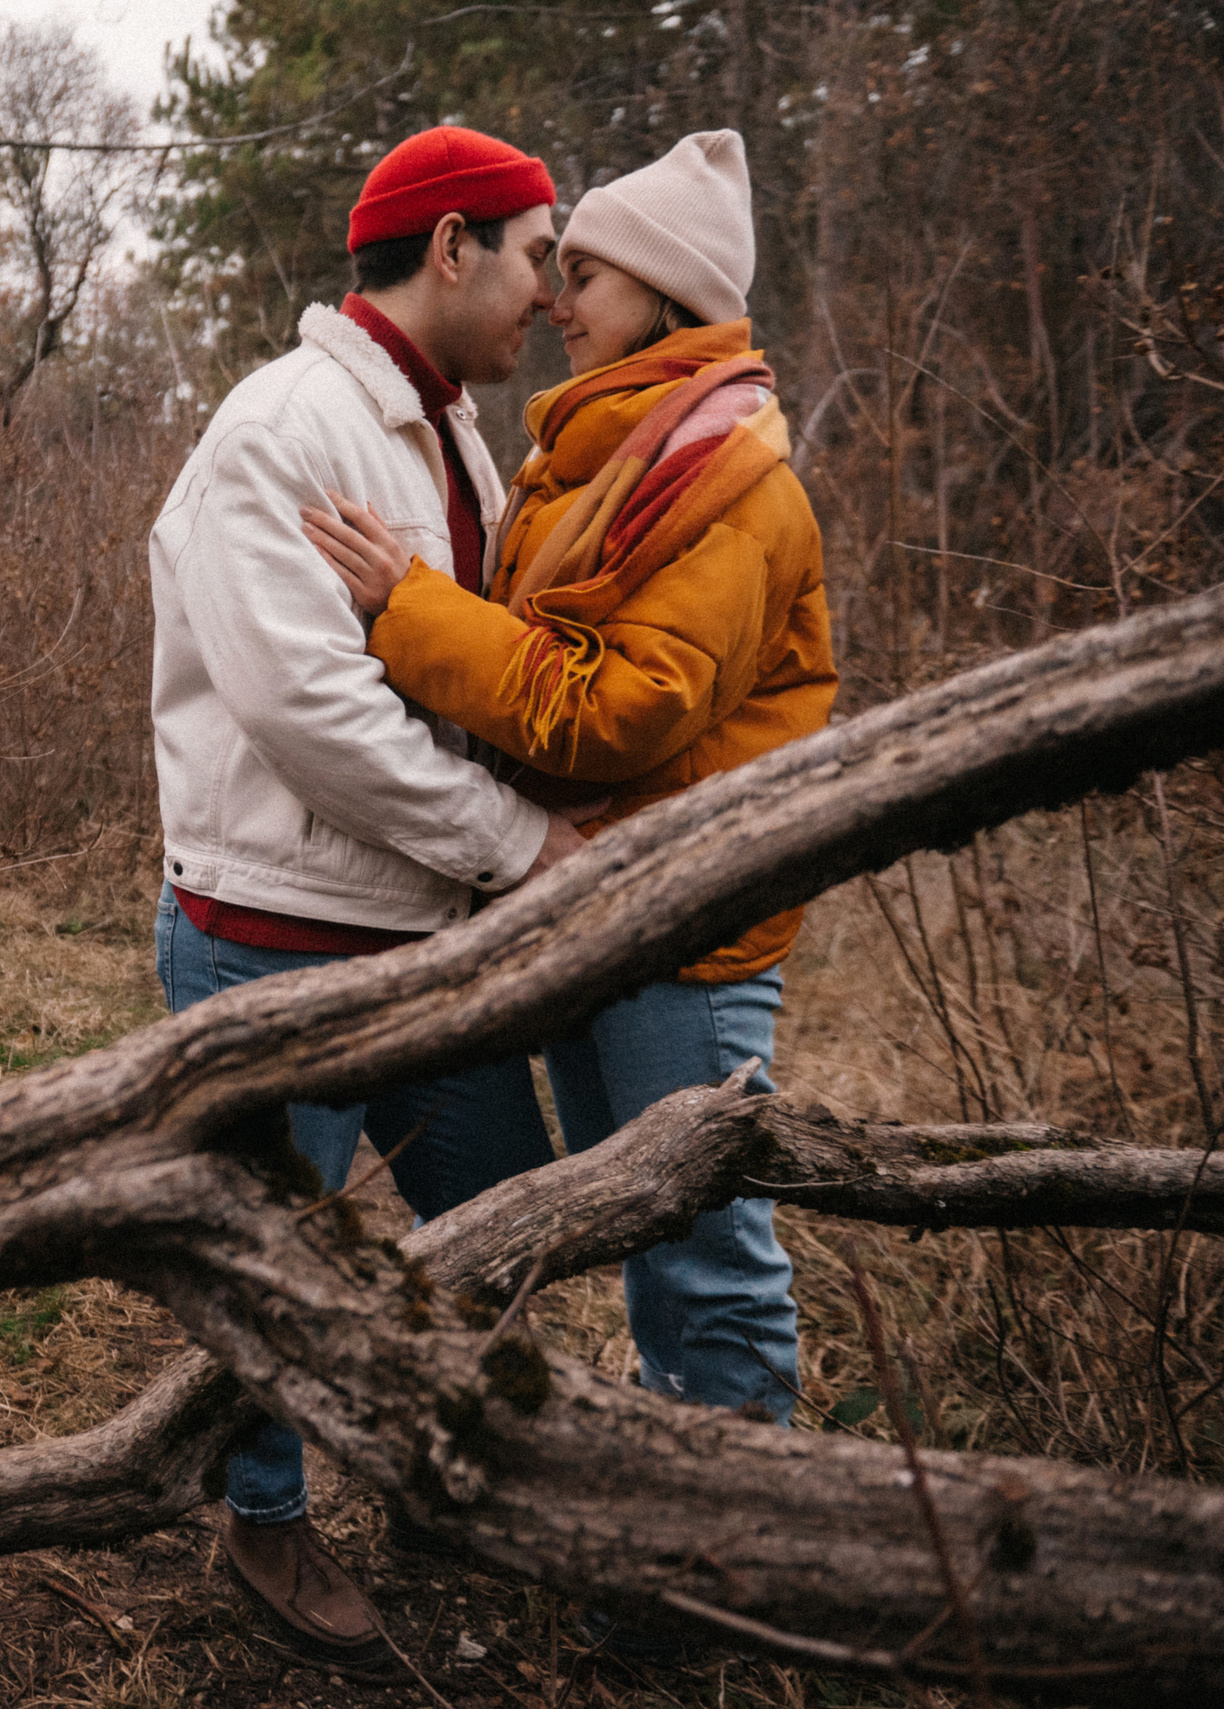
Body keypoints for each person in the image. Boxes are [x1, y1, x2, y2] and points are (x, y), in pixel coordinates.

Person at [304, 131, 839, 1463]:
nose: (555, 300)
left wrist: (407, 610)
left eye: (583, 274)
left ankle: (729, 1555)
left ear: (667, 297)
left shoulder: (729, 475)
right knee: (638, 1230)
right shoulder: (594, 455)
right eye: (559, 267)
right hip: (605, 906)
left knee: (703, 1250)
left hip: (691, 931)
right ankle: (667, 1532)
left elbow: (618, 705)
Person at [146, 125, 600, 1679]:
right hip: (275, 936)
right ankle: (261, 1514)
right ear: (454, 245)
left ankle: (443, 1477)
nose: (553, 287)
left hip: (428, 938)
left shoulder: (444, 430)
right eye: (540, 252)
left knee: (501, 1225)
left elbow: (457, 656)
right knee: (282, 1259)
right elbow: (311, 718)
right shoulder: (277, 431)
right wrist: (525, 843)